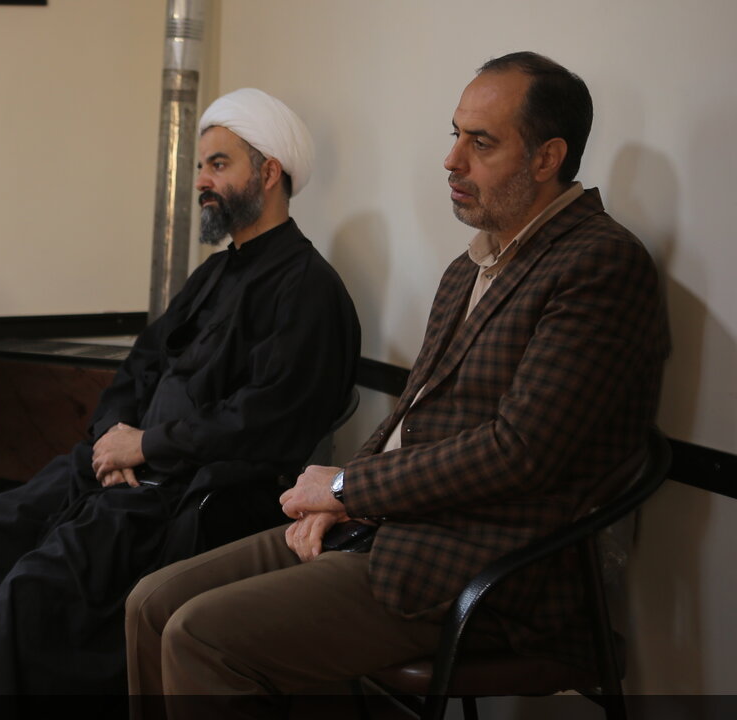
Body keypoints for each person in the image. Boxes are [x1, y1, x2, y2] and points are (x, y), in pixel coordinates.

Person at [126, 52, 671, 717]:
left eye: (481, 143)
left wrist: (347, 489)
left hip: (489, 569)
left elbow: (520, 451)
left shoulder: (599, 264)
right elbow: (409, 417)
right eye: (455, 134)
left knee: (200, 635)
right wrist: (339, 499)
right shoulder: (468, 269)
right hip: (393, 527)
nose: (451, 160)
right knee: (150, 603)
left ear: (547, 158)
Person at [0, 89, 361, 696]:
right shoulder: (214, 273)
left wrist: (146, 446)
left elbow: (264, 420)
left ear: (269, 172)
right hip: (118, 474)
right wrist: (110, 440)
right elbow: (140, 366)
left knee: (34, 588)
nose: (201, 181)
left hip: (184, 497)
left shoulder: (309, 290)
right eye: (200, 166)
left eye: (218, 164)